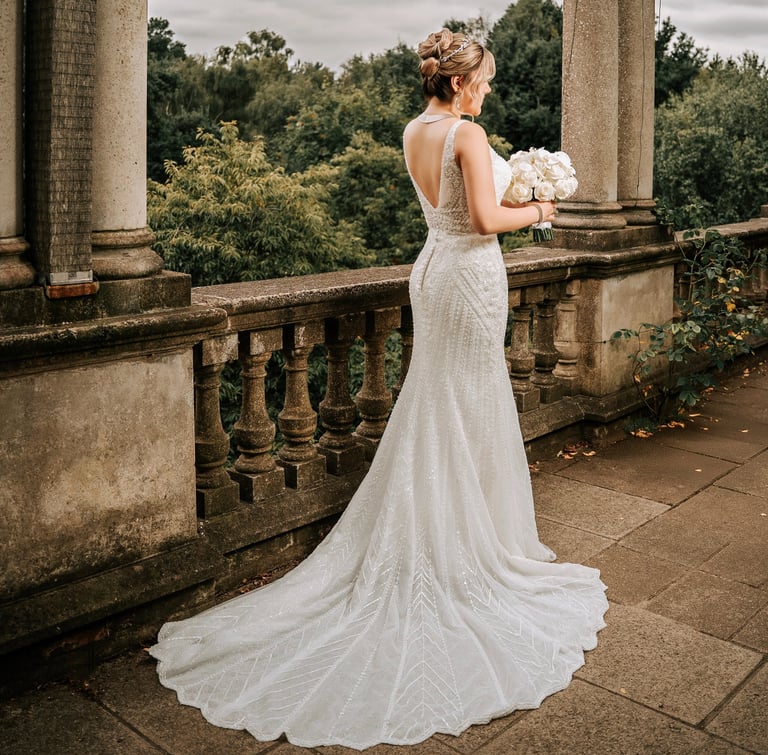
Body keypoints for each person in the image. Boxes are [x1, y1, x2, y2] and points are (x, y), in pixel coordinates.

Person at [150, 29, 608, 751]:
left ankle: (460, 524)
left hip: (432, 269)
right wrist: (541, 211)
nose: (487, 90)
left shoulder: (412, 129)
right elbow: (486, 220)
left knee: (440, 401)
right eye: (483, 80)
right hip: (470, 272)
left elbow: (449, 211)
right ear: (460, 84)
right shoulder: (465, 130)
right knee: (464, 402)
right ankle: (465, 547)